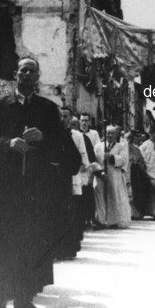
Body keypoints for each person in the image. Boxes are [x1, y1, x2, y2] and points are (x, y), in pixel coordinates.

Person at [0, 57, 78, 308]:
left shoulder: (48, 109)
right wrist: (6, 145)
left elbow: (63, 145)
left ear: (37, 77)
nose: (26, 73)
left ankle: (25, 297)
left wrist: (44, 137)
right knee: (0, 242)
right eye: (23, 69)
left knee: (31, 242)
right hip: (3, 186)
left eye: (32, 70)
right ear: (16, 74)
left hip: (35, 189)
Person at [58, 107, 89, 259]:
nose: (63, 119)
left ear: (70, 119)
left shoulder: (76, 135)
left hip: (73, 176)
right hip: (56, 179)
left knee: (72, 213)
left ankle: (71, 245)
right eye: (60, 116)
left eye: (65, 116)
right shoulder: (52, 133)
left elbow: (81, 156)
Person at [93, 125, 131, 228]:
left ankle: (113, 221)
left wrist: (111, 157)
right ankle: (100, 220)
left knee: (113, 196)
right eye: (108, 132)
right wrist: (99, 171)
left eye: (112, 133)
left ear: (116, 134)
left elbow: (123, 160)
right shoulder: (98, 146)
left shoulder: (120, 146)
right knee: (100, 196)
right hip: (100, 174)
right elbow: (94, 160)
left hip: (114, 175)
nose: (110, 135)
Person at [78, 112, 102, 229]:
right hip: (79, 166)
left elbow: (98, 149)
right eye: (82, 120)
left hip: (90, 166)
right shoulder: (77, 134)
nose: (84, 123)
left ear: (89, 122)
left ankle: (92, 217)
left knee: (89, 191)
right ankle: (82, 218)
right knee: (80, 192)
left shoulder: (94, 134)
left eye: (86, 120)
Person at [126, 130, 150, 220]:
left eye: (131, 139)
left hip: (135, 174)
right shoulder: (122, 148)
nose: (129, 141)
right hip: (125, 173)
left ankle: (135, 212)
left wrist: (137, 163)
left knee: (135, 192)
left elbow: (142, 163)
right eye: (128, 139)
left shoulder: (136, 149)